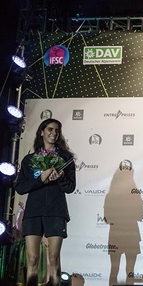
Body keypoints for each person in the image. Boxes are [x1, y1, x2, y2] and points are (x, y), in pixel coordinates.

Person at [15, 118, 76, 286]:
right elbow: (20, 188)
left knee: (54, 259)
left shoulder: (66, 159)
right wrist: (40, 179)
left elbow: (70, 188)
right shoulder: (30, 160)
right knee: (33, 260)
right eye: (50, 129)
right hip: (33, 213)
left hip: (56, 212)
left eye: (57, 130)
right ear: (41, 131)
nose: (53, 133)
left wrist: (61, 179)